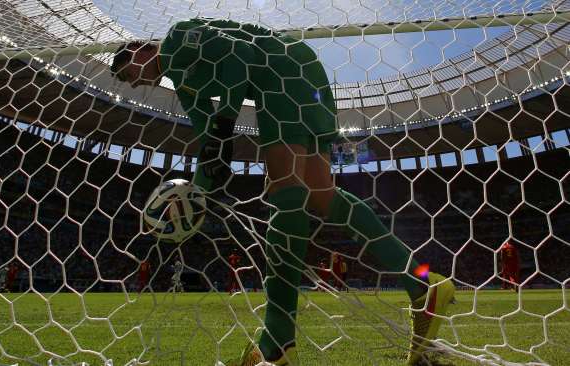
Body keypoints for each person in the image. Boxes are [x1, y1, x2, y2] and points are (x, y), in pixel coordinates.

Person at [111, 18, 455, 365]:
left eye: (128, 72)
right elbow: (207, 138)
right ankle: (423, 282)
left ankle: (277, 343)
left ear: (142, 49)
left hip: (281, 73)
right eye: (128, 81)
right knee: (322, 195)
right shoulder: (184, 87)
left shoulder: (180, 37)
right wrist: (198, 197)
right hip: (300, 76)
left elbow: (238, 56)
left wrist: (225, 124)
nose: (134, 82)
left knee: (284, 192)